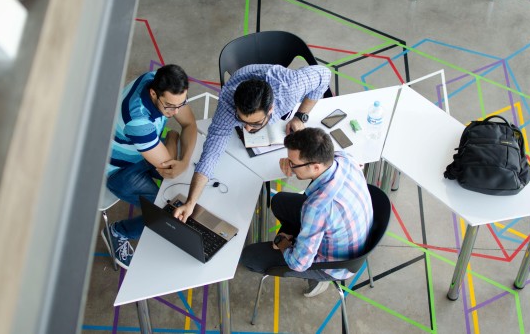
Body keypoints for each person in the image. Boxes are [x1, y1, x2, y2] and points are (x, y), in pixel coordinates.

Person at [173, 64, 331, 222]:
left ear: (271, 110)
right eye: (242, 121)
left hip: (278, 80)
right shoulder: (228, 103)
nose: (247, 129)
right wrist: (191, 202)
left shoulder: (290, 87)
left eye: (255, 123)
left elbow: (324, 74)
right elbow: (211, 153)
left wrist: (301, 115)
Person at [240, 128, 373, 297]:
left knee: (249, 257)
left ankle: (318, 279)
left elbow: (298, 263)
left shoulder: (317, 208)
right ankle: (299, 237)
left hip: (334, 264)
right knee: (280, 201)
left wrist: (282, 243)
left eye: (293, 164)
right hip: (351, 234)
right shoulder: (344, 158)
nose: (290, 166)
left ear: (316, 166)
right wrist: (291, 162)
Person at [102, 64, 197, 269]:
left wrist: (185, 160)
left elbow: (190, 124)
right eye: (170, 106)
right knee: (164, 210)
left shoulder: (159, 80)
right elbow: (169, 169)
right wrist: (172, 138)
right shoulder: (138, 120)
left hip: (143, 150)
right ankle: (118, 232)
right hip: (119, 170)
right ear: (154, 93)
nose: (176, 111)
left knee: (184, 181)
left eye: (181, 104)